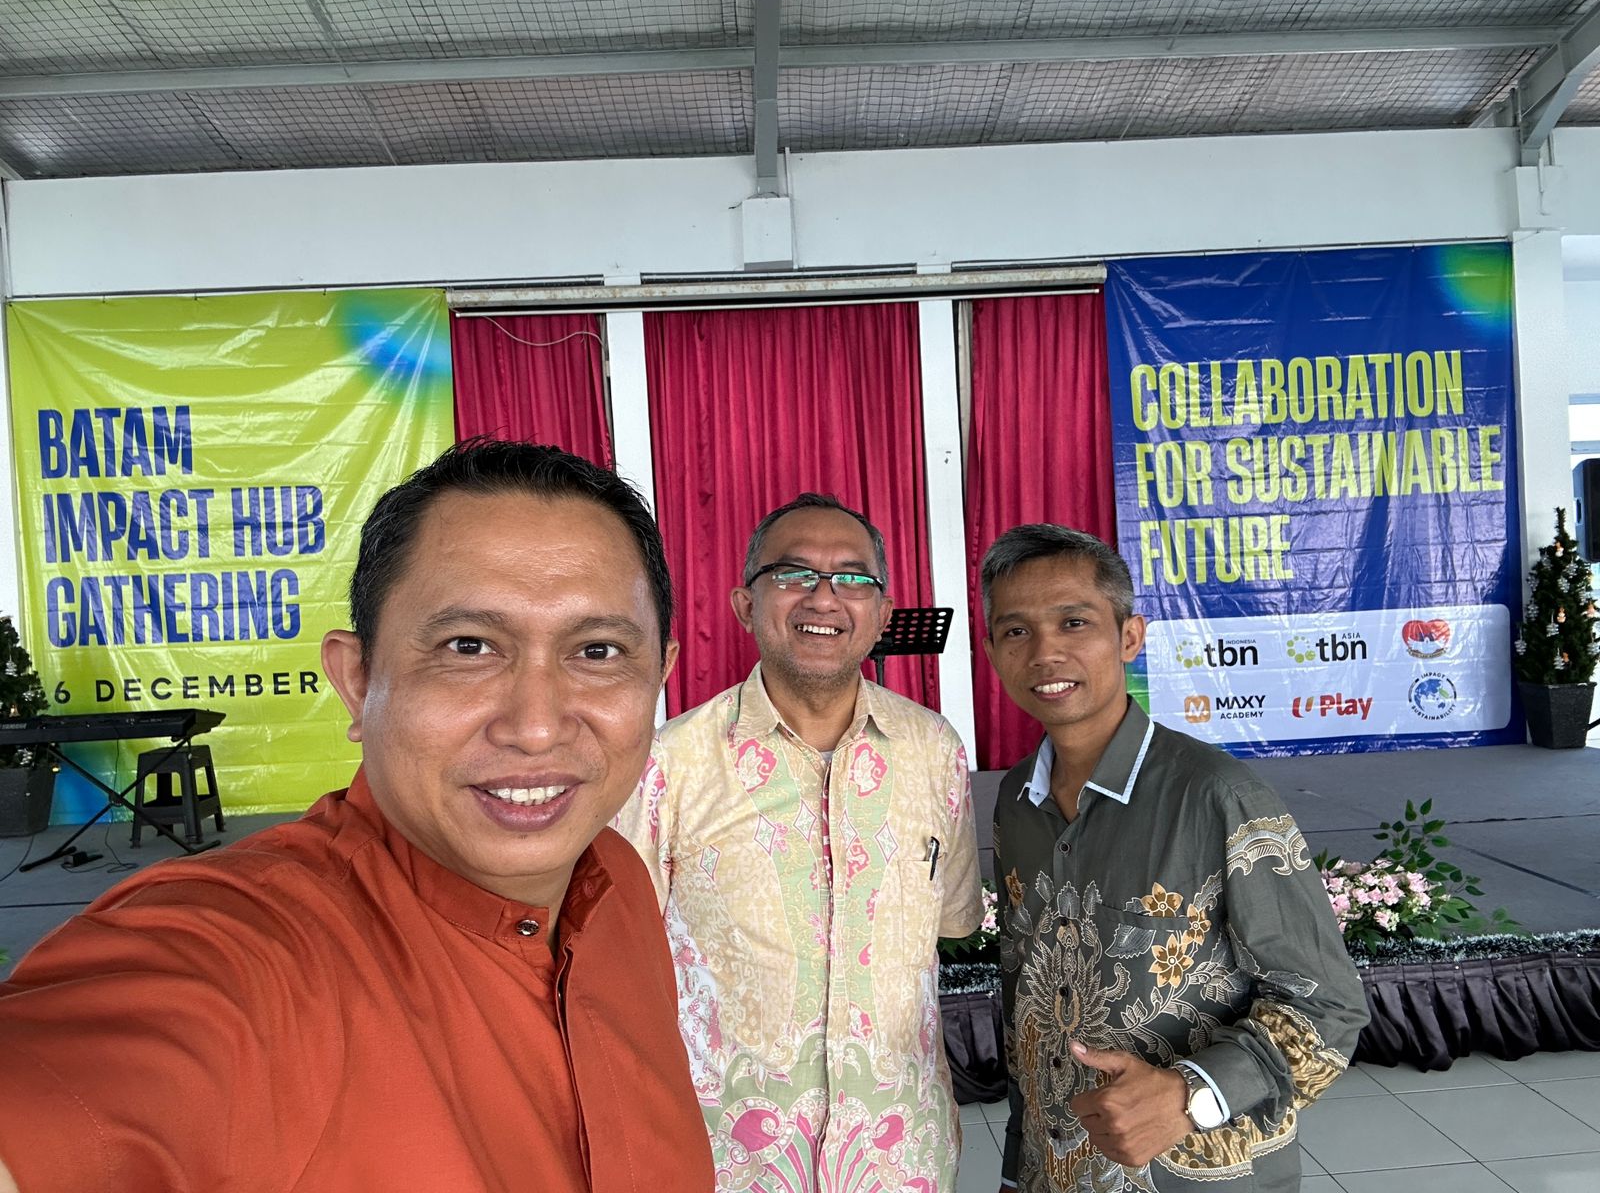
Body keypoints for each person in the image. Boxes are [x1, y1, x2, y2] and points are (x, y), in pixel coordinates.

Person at [0, 441, 714, 1193]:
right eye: (469, 646)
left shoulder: (618, 882)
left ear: (658, 679)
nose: (536, 727)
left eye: (598, 651)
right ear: (357, 679)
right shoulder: (257, 956)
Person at [979, 524, 1367, 1193]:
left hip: (1197, 1173)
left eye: (1074, 622)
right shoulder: (1017, 800)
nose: (1045, 652)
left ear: (1130, 636)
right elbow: (1027, 1009)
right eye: (1016, 631)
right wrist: (1020, 1166)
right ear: (991, 651)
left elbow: (1328, 1005)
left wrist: (1192, 1093)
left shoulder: (1218, 795)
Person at [617, 492, 982, 1191]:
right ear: (744, 605)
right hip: (729, 1162)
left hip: (902, 1158)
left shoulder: (935, 751)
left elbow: (954, 920)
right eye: (793, 574)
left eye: (852, 578)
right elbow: (622, 957)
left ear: (883, 612)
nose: (823, 597)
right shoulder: (670, 763)